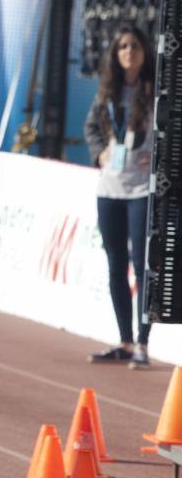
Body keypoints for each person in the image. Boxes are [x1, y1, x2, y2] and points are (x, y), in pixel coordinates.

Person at [85, 24, 154, 370]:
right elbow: (91, 128)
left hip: (142, 188)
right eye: (123, 46)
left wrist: (157, 158)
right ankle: (124, 340)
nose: (129, 52)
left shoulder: (156, 90)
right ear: (116, 53)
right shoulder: (107, 92)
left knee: (142, 265)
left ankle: (143, 342)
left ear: (144, 52)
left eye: (135, 46)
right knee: (115, 264)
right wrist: (100, 153)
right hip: (110, 188)